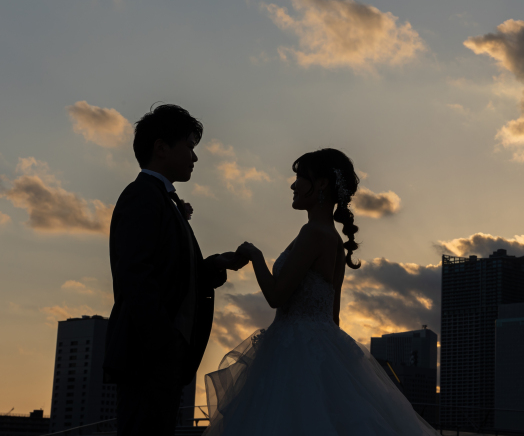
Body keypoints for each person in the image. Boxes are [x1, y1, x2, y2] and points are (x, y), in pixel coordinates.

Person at [204, 148, 439, 435]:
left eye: (300, 177)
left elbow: (276, 296)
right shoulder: (333, 239)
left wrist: (255, 255)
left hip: (293, 350)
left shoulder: (313, 233)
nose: (293, 186)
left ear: (322, 184)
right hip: (319, 346)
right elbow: (333, 316)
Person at [103, 104, 248, 436]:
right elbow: (135, 275)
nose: (195, 157)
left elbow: (173, 274)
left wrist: (215, 265)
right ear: (161, 148)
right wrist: (164, 342)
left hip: (159, 358)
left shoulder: (159, 199)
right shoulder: (142, 196)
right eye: (190, 147)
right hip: (148, 358)